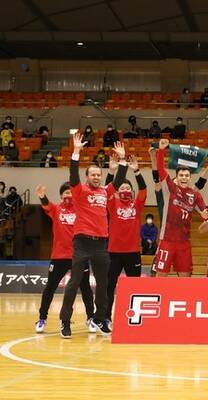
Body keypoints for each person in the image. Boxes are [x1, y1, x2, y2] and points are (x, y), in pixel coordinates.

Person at [58, 134, 128, 339]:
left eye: (99, 174)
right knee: (74, 282)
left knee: (104, 284)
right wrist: (76, 152)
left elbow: (120, 180)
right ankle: (65, 321)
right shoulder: (79, 191)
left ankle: (100, 318)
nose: (96, 177)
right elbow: (72, 175)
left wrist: (122, 160)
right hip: (82, 242)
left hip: (101, 244)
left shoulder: (106, 192)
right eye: (93, 175)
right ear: (87, 176)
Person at [34, 183, 95, 334]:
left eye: (70, 193)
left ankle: (91, 318)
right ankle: (42, 318)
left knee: (86, 289)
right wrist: (42, 196)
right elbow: (46, 205)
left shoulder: (81, 209)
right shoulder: (56, 209)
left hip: (79, 256)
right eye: (65, 193)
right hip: (59, 257)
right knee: (50, 288)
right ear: (61, 196)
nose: (68, 195)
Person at [154, 139, 208, 277]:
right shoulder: (171, 188)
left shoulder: (195, 194)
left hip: (184, 243)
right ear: (176, 177)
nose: (184, 178)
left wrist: (207, 217)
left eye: (186, 175)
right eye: (181, 175)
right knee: (160, 275)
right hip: (167, 240)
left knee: (185, 276)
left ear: (190, 177)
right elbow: (160, 169)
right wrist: (160, 151)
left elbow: (205, 213)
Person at [104, 155, 147, 326]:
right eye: (122, 187)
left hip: (133, 253)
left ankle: (134, 317)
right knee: (109, 286)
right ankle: (106, 317)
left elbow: (143, 190)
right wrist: (112, 172)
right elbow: (105, 190)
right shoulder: (112, 204)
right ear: (117, 190)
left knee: (134, 287)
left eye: (128, 187)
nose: (125, 189)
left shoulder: (137, 204)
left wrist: (136, 171)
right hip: (113, 252)